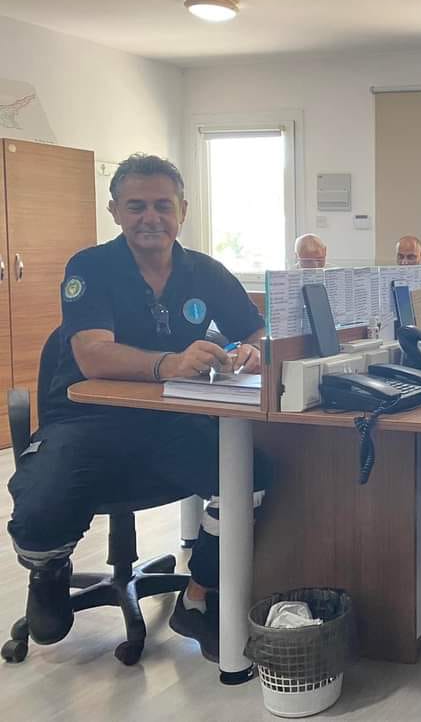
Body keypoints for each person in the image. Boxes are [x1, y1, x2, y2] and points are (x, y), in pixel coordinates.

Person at [6, 153, 269, 663]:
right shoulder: (90, 267)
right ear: (115, 211)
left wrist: (253, 350)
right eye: (137, 206)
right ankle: (49, 569)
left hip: (168, 422)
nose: (151, 217)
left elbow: (257, 330)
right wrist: (170, 363)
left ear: (183, 210)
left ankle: (198, 596)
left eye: (163, 206)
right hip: (86, 421)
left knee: (251, 476)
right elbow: (92, 353)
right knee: (38, 509)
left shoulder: (205, 272)